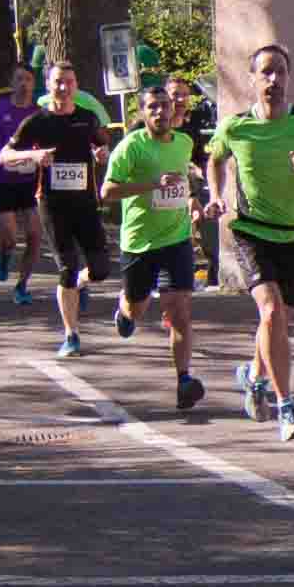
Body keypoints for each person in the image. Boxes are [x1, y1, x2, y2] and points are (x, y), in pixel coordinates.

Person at [213, 42, 294, 444]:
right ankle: (286, 407)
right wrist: (216, 195)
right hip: (251, 231)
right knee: (271, 312)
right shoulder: (235, 127)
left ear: (289, 77)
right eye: (266, 72)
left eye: (280, 72)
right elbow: (215, 159)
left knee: (278, 321)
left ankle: (254, 377)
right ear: (252, 79)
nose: (273, 79)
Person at [99, 78, 214, 412]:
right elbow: (107, 192)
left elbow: (182, 180)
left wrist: (192, 200)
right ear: (143, 113)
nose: (161, 111)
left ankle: (184, 381)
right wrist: (151, 185)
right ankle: (124, 311)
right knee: (137, 307)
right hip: (140, 242)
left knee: (179, 312)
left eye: (165, 105)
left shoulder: (183, 142)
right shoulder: (130, 147)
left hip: (176, 239)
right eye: (153, 107)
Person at [0, 60, 118, 361]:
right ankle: (71, 335)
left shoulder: (87, 119)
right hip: (52, 204)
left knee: (101, 269)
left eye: (69, 82)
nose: (63, 88)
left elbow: (102, 146)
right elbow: (4, 156)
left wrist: (101, 154)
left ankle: (80, 283)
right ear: (48, 85)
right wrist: (35, 155)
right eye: (57, 82)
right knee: (66, 267)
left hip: (85, 202)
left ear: (76, 86)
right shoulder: (37, 122)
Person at [0, 64, 43, 303]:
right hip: (1, 181)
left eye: (28, 79)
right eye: (19, 79)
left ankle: (22, 286)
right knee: (10, 238)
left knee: (35, 236)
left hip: (30, 182)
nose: (23, 84)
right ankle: (5, 255)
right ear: (11, 83)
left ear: (34, 84)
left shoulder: (39, 114)